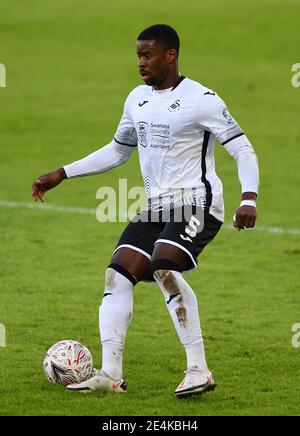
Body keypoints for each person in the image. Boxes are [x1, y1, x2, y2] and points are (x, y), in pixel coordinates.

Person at [32, 24, 259, 398]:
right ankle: (110, 373)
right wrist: (63, 172)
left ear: (170, 55)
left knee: (164, 265)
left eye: (147, 55)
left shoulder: (202, 99)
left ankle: (199, 369)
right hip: (157, 207)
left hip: (198, 203)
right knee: (117, 274)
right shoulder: (136, 98)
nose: (140, 62)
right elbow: (118, 150)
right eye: (138, 54)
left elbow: (242, 148)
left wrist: (248, 197)